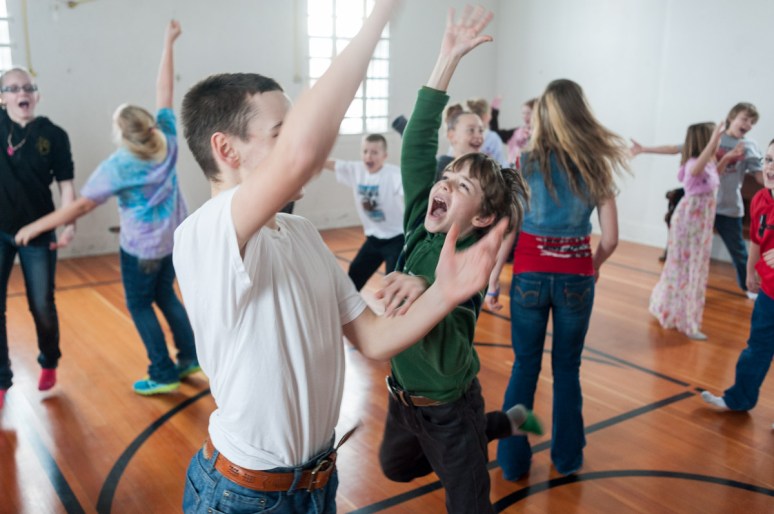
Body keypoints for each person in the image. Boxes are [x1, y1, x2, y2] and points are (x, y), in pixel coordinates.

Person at [171, 2, 511, 512]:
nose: (299, 138)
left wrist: (444, 293)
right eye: (281, 131)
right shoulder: (205, 234)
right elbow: (304, 154)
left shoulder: (302, 233)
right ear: (227, 150)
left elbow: (374, 338)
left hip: (316, 486)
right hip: (242, 496)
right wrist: (379, 17)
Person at [376, 8, 539, 514]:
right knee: (395, 467)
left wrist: (426, 293)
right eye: (446, 178)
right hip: (403, 399)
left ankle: (494, 425)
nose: (444, 184)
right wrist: (446, 60)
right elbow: (417, 141)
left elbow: (446, 331)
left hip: (449, 407)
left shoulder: (469, 263)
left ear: (484, 218)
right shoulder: (416, 223)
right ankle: (502, 423)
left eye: (461, 186)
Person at [15, 21, 198, 396]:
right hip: (172, 241)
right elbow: (165, 91)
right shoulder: (165, 138)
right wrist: (168, 41)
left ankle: (162, 371)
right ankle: (190, 357)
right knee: (165, 295)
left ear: (122, 133)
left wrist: (36, 226)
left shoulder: (119, 164)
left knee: (140, 304)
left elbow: (81, 205)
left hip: (142, 248)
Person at [486, 78, 629, 480]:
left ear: (546, 116)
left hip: (529, 277)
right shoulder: (596, 164)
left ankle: (513, 461)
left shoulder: (526, 161)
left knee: (524, 367)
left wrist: (493, 279)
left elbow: (508, 226)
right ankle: (567, 458)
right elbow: (611, 239)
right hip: (576, 279)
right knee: (567, 369)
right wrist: (593, 264)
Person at [631, 102, 764, 299]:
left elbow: (759, 176)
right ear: (732, 117)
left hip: (729, 208)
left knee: (738, 252)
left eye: (752, 122)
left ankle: (747, 288)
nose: (748, 124)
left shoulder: (749, 147)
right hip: (702, 209)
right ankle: (680, 288)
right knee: (689, 250)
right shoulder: (711, 138)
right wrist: (644, 149)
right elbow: (676, 149)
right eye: (745, 119)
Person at [0, 66, 76, 408]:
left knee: (42, 304)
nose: (22, 93)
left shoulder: (53, 135)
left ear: (36, 95)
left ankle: (49, 359)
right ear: (3, 98)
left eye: (28, 88)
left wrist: (69, 222)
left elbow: (66, 185)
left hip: (40, 230)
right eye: (14, 88)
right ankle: (1, 379)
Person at [649, 122, 743, 340]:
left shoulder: (709, 162)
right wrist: (714, 140)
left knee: (692, 268)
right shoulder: (694, 162)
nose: (719, 141)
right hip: (689, 222)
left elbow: (712, 179)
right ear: (706, 141)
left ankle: (671, 310)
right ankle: (686, 322)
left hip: (700, 224)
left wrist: (727, 159)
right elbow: (694, 171)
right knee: (686, 269)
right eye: (715, 138)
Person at [701, 138, 774, 411]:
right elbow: (756, 239)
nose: (771, 168)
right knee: (757, 347)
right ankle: (738, 400)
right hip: (769, 291)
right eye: (769, 160)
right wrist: (750, 270)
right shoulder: (760, 199)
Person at [323, 134, 404, 290]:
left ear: (384, 156)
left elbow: (411, 189)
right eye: (365, 151)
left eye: (374, 152)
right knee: (354, 274)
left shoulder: (394, 175)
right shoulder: (356, 170)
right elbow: (333, 164)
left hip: (396, 240)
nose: (369, 156)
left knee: (392, 284)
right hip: (373, 239)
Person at [490, 96, 537, 167]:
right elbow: (495, 133)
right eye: (523, 113)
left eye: (528, 113)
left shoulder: (542, 135)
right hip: (513, 170)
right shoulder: (516, 132)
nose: (525, 116)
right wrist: (494, 110)